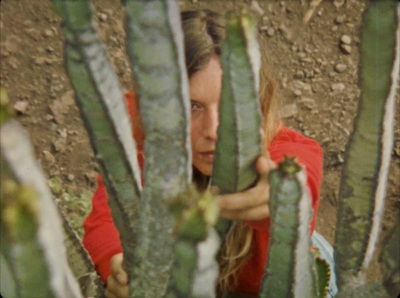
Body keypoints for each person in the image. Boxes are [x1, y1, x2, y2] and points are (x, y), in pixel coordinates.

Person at [82, 9, 333, 297]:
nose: (213, 130)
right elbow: (108, 217)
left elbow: (301, 178)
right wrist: (118, 264)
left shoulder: (289, 151)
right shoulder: (136, 128)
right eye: (191, 106)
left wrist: (282, 203)